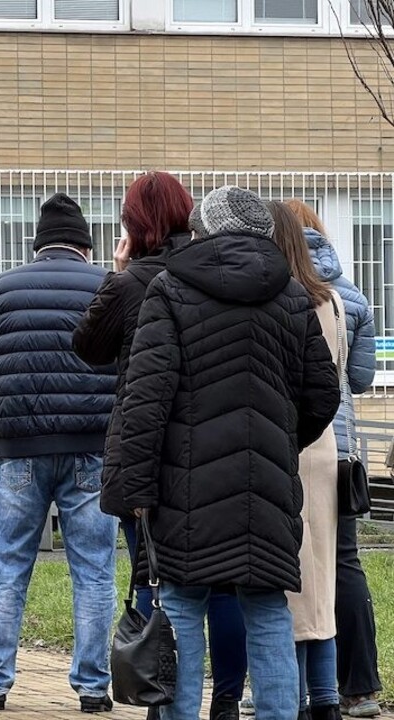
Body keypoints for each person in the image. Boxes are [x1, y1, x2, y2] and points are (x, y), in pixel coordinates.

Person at [118, 186, 339, 720]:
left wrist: (136, 487)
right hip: (266, 486)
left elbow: (145, 398)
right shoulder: (290, 294)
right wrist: (281, 441)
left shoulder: (170, 291)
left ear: (203, 230)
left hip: (184, 487)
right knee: (266, 611)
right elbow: (322, 395)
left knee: (182, 608)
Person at [74, 172, 247, 720]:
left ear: (133, 223)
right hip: (216, 448)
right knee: (222, 584)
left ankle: (162, 700)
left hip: (147, 452)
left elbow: (89, 347)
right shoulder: (209, 275)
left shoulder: (131, 284)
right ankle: (222, 701)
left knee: (154, 575)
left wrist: (117, 274)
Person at [0, 194, 118, 712]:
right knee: (93, 569)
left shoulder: (3, 288)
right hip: (92, 448)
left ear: (39, 242)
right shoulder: (107, 287)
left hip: (19, 448)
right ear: (84, 243)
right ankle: (93, 688)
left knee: (7, 564)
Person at [288, 198, 383, 719]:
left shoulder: (278, 289)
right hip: (341, 446)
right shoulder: (352, 297)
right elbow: (364, 379)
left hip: (295, 443)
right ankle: (361, 688)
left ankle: (291, 685)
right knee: (343, 563)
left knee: (288, 565)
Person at [267, 201, 344, 720]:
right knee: (323, 580)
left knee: (290, 583)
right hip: (326, 446)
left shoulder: (282, 302)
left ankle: (291, 699)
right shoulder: (333, 301)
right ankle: (328, 697)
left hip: (288, 442)